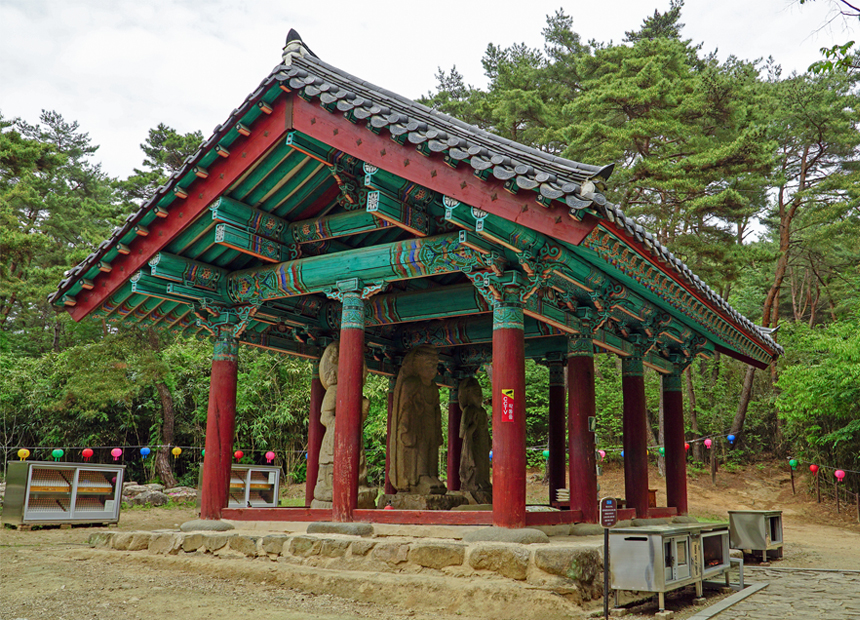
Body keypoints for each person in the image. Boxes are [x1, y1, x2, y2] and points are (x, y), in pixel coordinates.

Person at [390, 346, 445, 494]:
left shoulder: (433, 387)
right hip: (417, 425)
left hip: (431, 423)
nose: (434, 369)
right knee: (421, 448)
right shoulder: (411, 384)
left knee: (432, 449)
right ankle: (421, 477)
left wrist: (439, 430)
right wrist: (405, 427)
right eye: (429, 365)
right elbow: (404, 408)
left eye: (435, 365)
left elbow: (436, 410)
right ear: (419, 365)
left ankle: (432, 474)